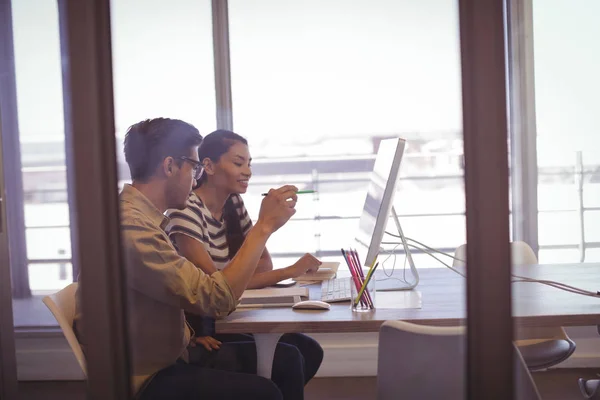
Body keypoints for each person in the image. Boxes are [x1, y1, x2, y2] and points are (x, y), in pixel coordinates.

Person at [73, 118, 300, 400]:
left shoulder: (144, 218)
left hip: (169, 354)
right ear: (169, 167)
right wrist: (264, 226)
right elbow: (217, 299)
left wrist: (189, 333)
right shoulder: (132, 228)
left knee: (289, 359)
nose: (196, 178)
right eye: (193, 167)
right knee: (266, 392)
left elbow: (175, 289)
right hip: (146, 375)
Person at [165, 129, 324, 399]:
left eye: (249, 163)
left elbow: (260, 266)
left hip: (223, 316)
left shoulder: (233, 204)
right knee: (289, 359)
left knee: (309, 349)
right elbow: (216, 286)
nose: (247, 171)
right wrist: (288, 271)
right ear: (208, 166)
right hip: (202, 326)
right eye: (238, 163)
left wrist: (262, 244)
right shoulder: (186, 211)